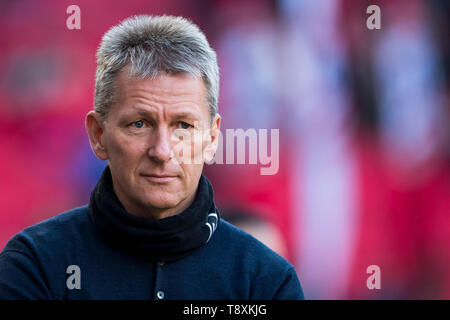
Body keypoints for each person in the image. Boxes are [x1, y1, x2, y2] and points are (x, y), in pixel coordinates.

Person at [0, 15, 304, 300]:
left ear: (212, 139)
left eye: (182, 126)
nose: (161, 150)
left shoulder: (266, 280)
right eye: (139, 124)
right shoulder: (34, 266)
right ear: (98, 135)